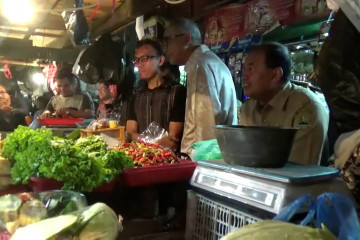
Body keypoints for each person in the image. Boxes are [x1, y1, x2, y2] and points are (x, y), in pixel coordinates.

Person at [239, 42, 329, 165]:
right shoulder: (248, 108)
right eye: (244, 69)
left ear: (275, 74)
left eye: (250, 69)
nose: (244, 76)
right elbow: (244, 156)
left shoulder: (306, 107)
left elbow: (300, 171)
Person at [163, 18, 238, 154]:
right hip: (219, 154)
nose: (165, 48)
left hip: (205, 158)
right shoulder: (205, 62)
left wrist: (200, 165)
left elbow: (205, 127)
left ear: (186, 39)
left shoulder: (200, 66)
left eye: (167, 41)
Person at [126, 38, 186, 151]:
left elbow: (173, 139)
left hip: (169, 161)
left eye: (144, 59)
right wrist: (152, 143)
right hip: (141, 158)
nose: (139, 65)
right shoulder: (136, 96)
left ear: (160, 60)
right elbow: (130, 133)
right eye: (137, 60)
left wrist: (141, 140)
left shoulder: (177, 92)